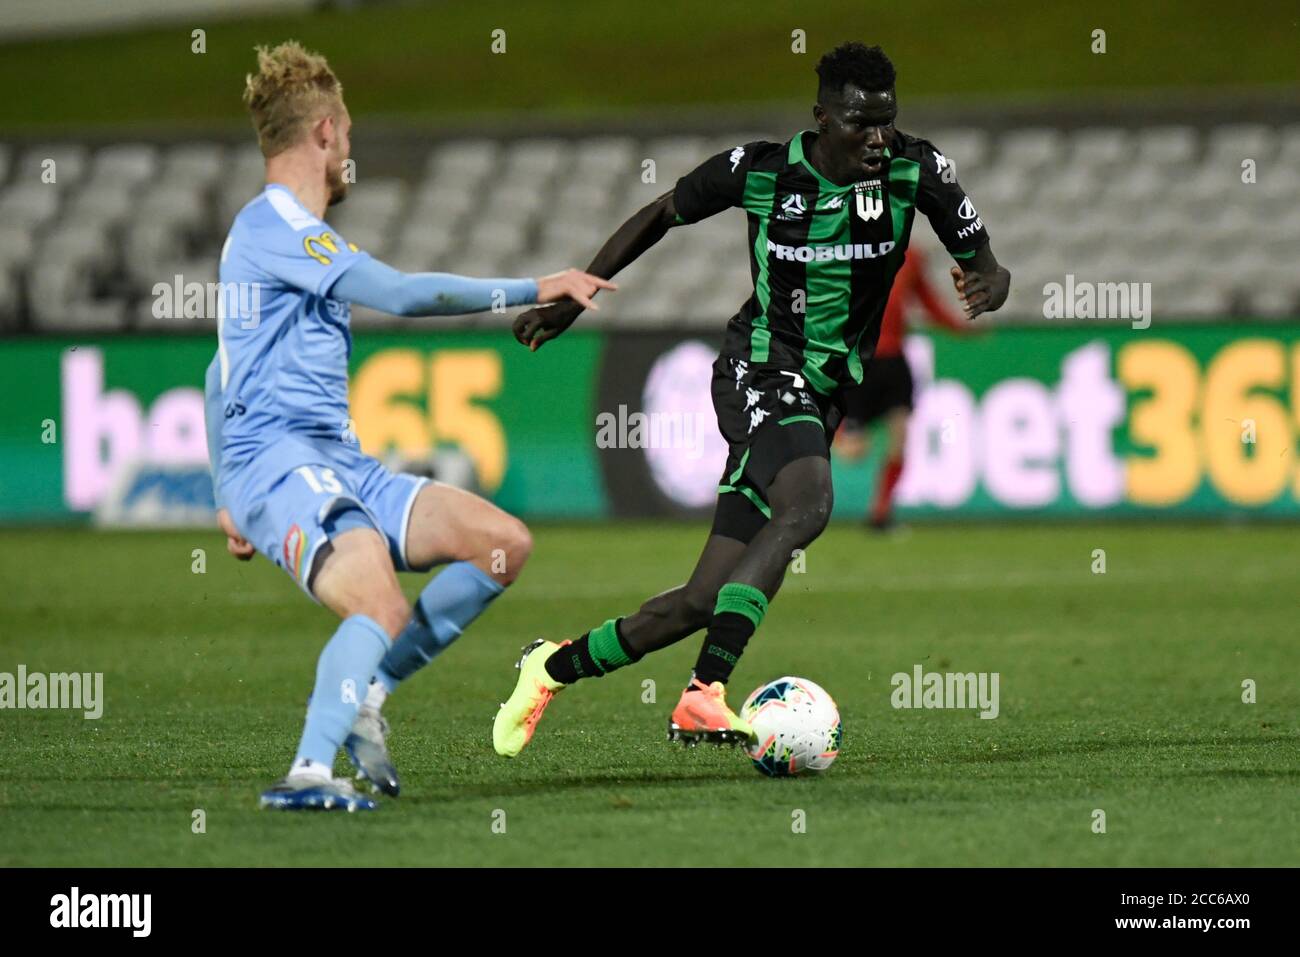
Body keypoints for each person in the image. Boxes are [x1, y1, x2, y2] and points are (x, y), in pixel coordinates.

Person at [492, 41, 1009, 756]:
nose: (879, 138)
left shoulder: (916, 170)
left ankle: (548, 665)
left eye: (887, 121)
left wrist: (988, 280)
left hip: (824, 392)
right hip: (758, 369)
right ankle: (703, 694)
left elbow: (985, 260)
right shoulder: (761, 171)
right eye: (862, 123)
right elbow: (662, 212)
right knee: (809, 504)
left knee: (702, 599)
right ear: (822, 117)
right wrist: (577, 297)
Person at [208, 41, 614, 810]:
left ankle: (369, 694)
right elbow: (401, 294)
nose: (349, 152)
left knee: (501, 545)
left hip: (339, 463)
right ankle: (306, 775)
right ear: (325, 132)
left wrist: (222, 488)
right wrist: (537, 284)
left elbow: (213, 371)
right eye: (348, 136)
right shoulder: (272, 227)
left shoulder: (281, 237)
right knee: (380, 604)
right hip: (283, 463)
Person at [835, 246, 973, 530]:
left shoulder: (912, 256)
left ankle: (881, 512)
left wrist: (959, 327)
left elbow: (926, 300)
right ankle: (834, 432)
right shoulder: (846, 248)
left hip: (894, 362)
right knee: (853, 452)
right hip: (859, 360)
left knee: (900, 435)